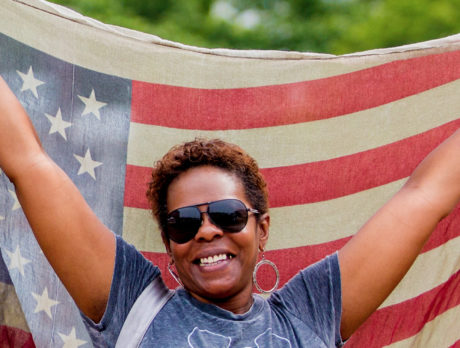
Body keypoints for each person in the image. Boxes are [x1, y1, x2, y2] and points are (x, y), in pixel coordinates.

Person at [0, 75, 459, 347]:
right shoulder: (132, 305)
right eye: (183, 223)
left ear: (262, 230)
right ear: (169, 245)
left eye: (227, 215)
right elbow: (29, 164)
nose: (205, 230)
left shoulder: (311, 313)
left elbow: (424, 196)